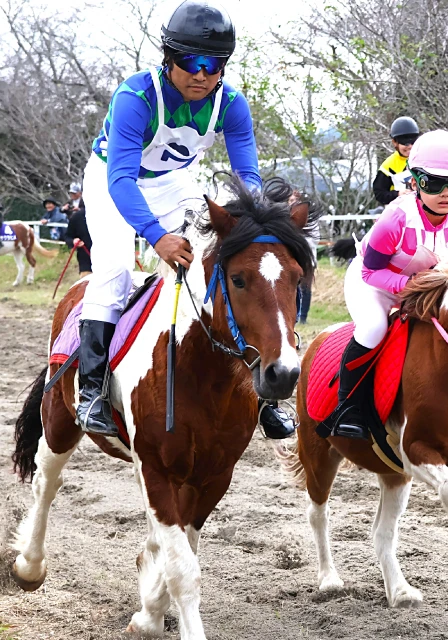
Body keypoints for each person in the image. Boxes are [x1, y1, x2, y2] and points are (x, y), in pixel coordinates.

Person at [77, 0, 295, 439]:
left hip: (174, 183)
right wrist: (156, 236)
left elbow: (247, 178)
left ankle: (260, 391)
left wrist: (255, 224)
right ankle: (92, 390)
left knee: (223, 258)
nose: (201, 74)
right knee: (115, 269)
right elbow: (121, 180)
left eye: (213, 65)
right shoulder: (136, 96)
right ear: (168, 57)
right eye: (190, 61)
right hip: (113, 181)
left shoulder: (231, 104)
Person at [325, 130, 448, 439]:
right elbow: (370, 272)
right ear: (416, 181)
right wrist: (410, 284)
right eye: (434, 183)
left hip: (426, 290)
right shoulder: (395, 218)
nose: (446, 193)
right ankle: (349, 407)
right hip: (375, 285)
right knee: (374, 328)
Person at [372, 116, 420, 206]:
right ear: (395, 142)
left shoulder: (424, 158)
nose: (410, 146)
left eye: (413, 142)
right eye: (405, 142)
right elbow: (379, 194)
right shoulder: (388, 166)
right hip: (400, 209)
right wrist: (397, 194)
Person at [64, 202, 93, 276]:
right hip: (86, 262)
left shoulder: (112, 215)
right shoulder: (77, 217)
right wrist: (73, 241)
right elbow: (68, 236)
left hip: (110, 262)